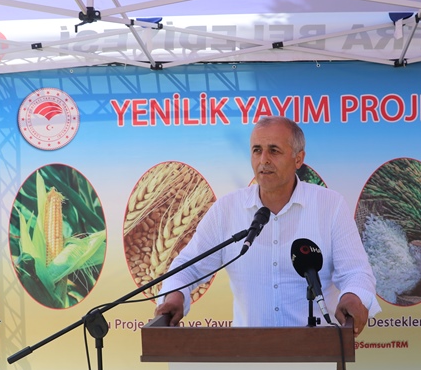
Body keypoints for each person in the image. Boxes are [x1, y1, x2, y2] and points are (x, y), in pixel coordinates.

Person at [154, 116, 380, 336]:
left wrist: (353, 296)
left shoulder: (330, 206)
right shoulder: (227, 209)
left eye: (274, 150)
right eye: (257, 150)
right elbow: (188, 268)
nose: (263, 160)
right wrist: (175, 295)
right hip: (248, 353)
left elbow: (356, 272)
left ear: (298, 159)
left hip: (319, 350)